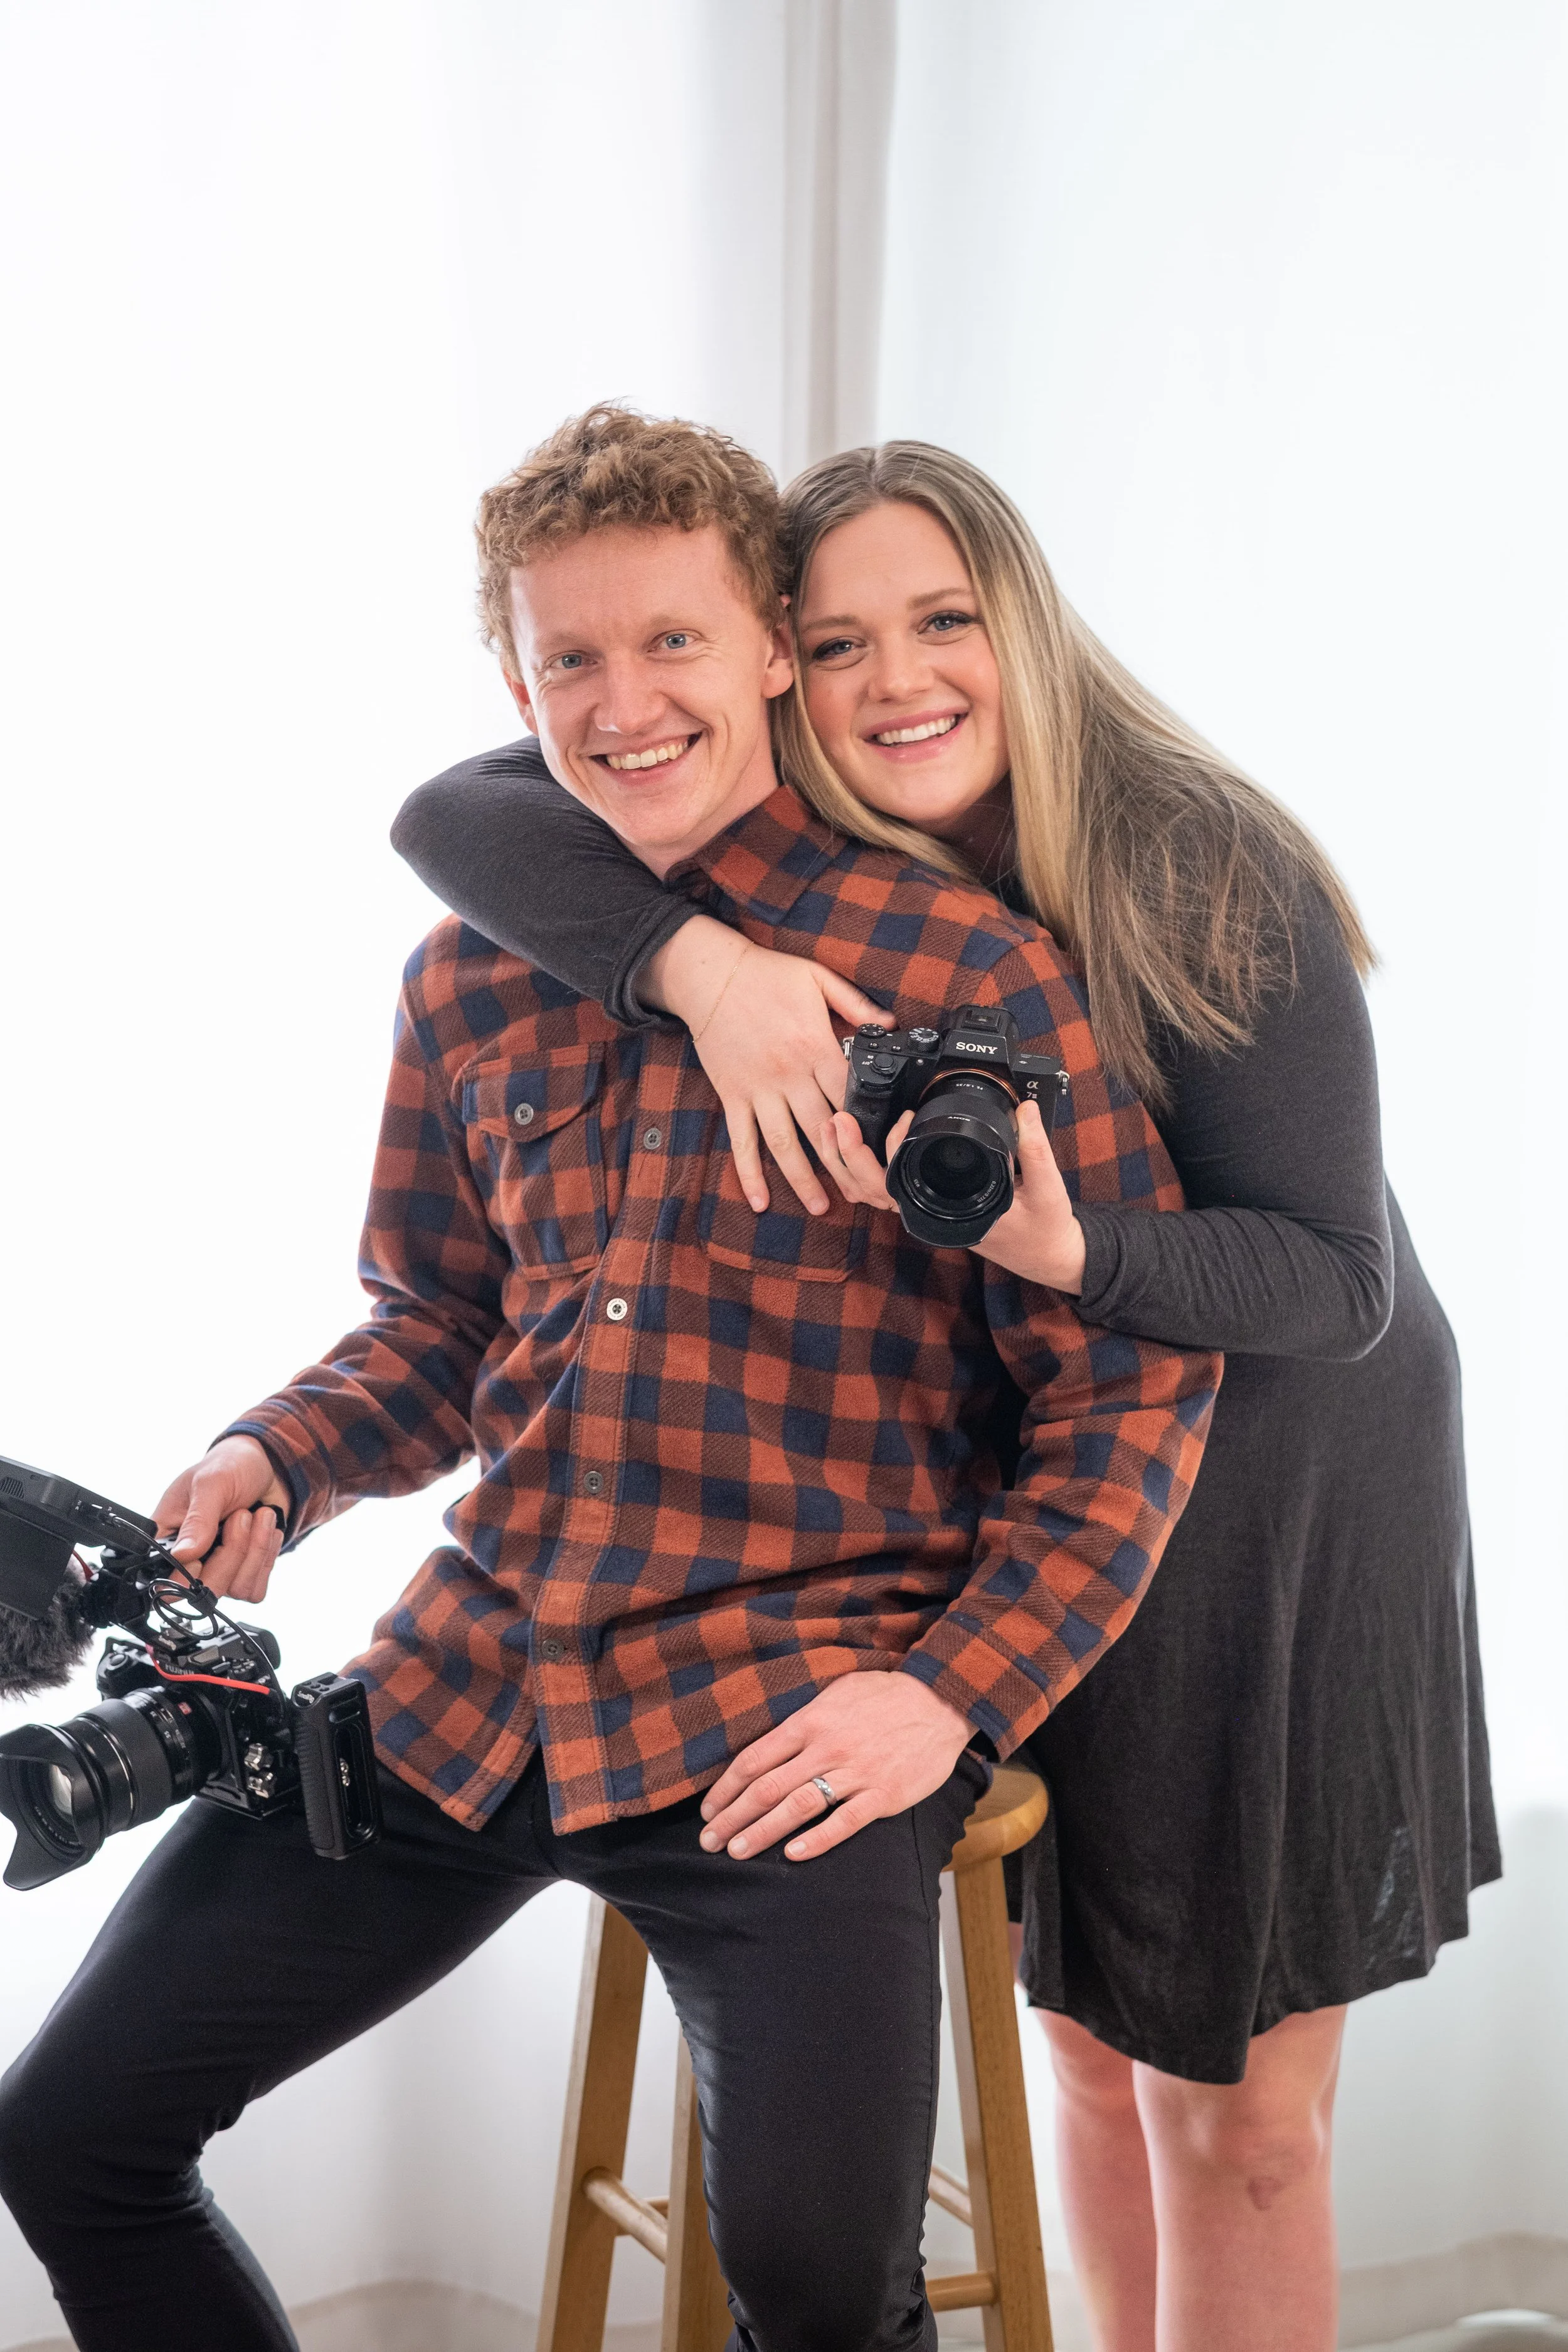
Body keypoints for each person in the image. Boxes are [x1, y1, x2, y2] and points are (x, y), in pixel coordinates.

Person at [0, 410, 1221, 2352]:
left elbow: (1127, 1394)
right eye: (569, 656)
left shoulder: (960, 963)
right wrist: (275, 1455)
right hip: (478, 1678)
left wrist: (948, 1697)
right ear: (514, 682)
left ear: (765, 656)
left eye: (670, 643)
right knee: (66, 2133)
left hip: (788, 1722)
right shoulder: (467, 973)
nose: (621, 700)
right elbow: (435, 1323)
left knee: (823, 2285)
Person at [394, 433, 1500, 2352]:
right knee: (1076, 2061)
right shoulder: (819, 857)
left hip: (1276, 1494)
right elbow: (449, 814)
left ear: (1029, 629)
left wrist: (1065, 1251)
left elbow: (1332, 1283)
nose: (894, 680)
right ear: (775, 673)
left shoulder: (1186, 857)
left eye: (943, 621)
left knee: (1232, 2108)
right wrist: (693, 963)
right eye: (835, 644)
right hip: (1037, 1489)